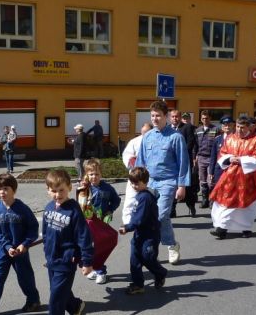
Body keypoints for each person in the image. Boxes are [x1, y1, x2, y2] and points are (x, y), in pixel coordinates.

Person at [0, 173, 41, 315]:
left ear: (13, 190)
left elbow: (33, 228)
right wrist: (6, 246)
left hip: (20, 251)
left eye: (5, 188)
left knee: (25, 276)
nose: (2, 192)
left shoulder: (22, 209)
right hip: (3, 251)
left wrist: (25, 244)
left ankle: (33, 300)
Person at [40, 169, 93, 315]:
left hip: (67, 260)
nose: (57, 195)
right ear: (48, 190)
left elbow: (84, 237)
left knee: (55, 297)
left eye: (61, 190)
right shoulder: (48, 208)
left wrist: (86, 261)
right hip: (52, 259)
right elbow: (46, 234)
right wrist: (47, 253)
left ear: (69, 188)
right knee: (60, 292)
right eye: (53, 191)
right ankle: (75, 306)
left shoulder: (74, 210)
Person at [135, 100, 190, 265]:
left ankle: (170, 245)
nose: (155, 118)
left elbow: (183, 163)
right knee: (151, 217)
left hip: (168, 182)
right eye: (152, 115)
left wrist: (182, 186)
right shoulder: (147, 137)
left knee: (160, 215)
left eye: (158, 115)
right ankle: (160, 247)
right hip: (150, 182)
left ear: (165, 116)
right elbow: (140, 162)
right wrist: (137, 182)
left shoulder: (176, 137)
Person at [209, 116, 256, 239]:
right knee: (225, 201)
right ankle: (222, 228)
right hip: (230, 177)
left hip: (249, 177)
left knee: (247, 205)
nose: (239, 130)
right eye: (237, 127)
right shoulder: (231, 139)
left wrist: (241, 160)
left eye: (242, 127)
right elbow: (222, 153)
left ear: (248, 127)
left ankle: (246, 228)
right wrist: (229, 158)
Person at [119, 166, 167, 294]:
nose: (134, 186)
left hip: (149, 235)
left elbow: (139, 219)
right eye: (132, 183)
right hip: (139, 233)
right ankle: (138, 284)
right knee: (134, 259)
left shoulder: (145, 198)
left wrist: (127, 227)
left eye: (136, 183)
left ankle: (160, 273)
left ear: (145, 182)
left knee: (148, 258)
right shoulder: (140, 195)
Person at [80, 158, 120, 284]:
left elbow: (116, 200)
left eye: (97, 174)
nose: (94, 177)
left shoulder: (107, 188)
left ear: (101, 174)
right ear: (87, 174)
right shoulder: (84, 188)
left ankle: (101, 271)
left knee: (100, 247)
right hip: (88, 223)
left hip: (102, 223)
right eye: (91, 174)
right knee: (90, 247)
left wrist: (109, 210)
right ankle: (94, 268)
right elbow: (79, 204)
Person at [121, 122, 152, 225]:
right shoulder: (135, 141)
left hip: (150, 176)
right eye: (142, 132)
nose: (144, 134)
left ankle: (149, 219)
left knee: (148, 198)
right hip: (135, 174)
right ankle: (128, 220)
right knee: (131, 197)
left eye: (147, 132)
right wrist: (132, 161)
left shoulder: (157, 141)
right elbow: (127, 155)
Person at [170, 110, 198, 218]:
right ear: (170, 117)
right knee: (173, 186)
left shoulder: (187, 127)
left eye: (177, 116)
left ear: (180, 117)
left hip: (184, 161)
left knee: (187, 185)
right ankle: (172, 209)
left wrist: (179, 154)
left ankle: (191, 205)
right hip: (171, 163)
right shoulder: (167, 128)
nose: (175, 118)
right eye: (173, 116)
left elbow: (190, 143)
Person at [195, 110, 218, 208]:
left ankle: (212, 200)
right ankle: (204, 200)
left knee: (211, 181)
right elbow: (195, 145)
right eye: (203, 118)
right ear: (201, 119)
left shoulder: (216, 129)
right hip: (201, 157)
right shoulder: (198, 130)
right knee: (202, 180)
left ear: (210, 118)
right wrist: (194, 156)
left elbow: (218, 145)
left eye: (207, 118)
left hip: (211, 158)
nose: (205, 120)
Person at [207, 116, 235, 194]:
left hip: (232, 169)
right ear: (222, 127)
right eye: (225, 125)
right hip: (219, 170)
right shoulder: (217, 139)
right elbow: (213, 156)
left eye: (229, 125)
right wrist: (211, 172)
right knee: (219, 190)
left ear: (233, 126)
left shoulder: (237, 139)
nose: (227, 127)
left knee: (230, 191)